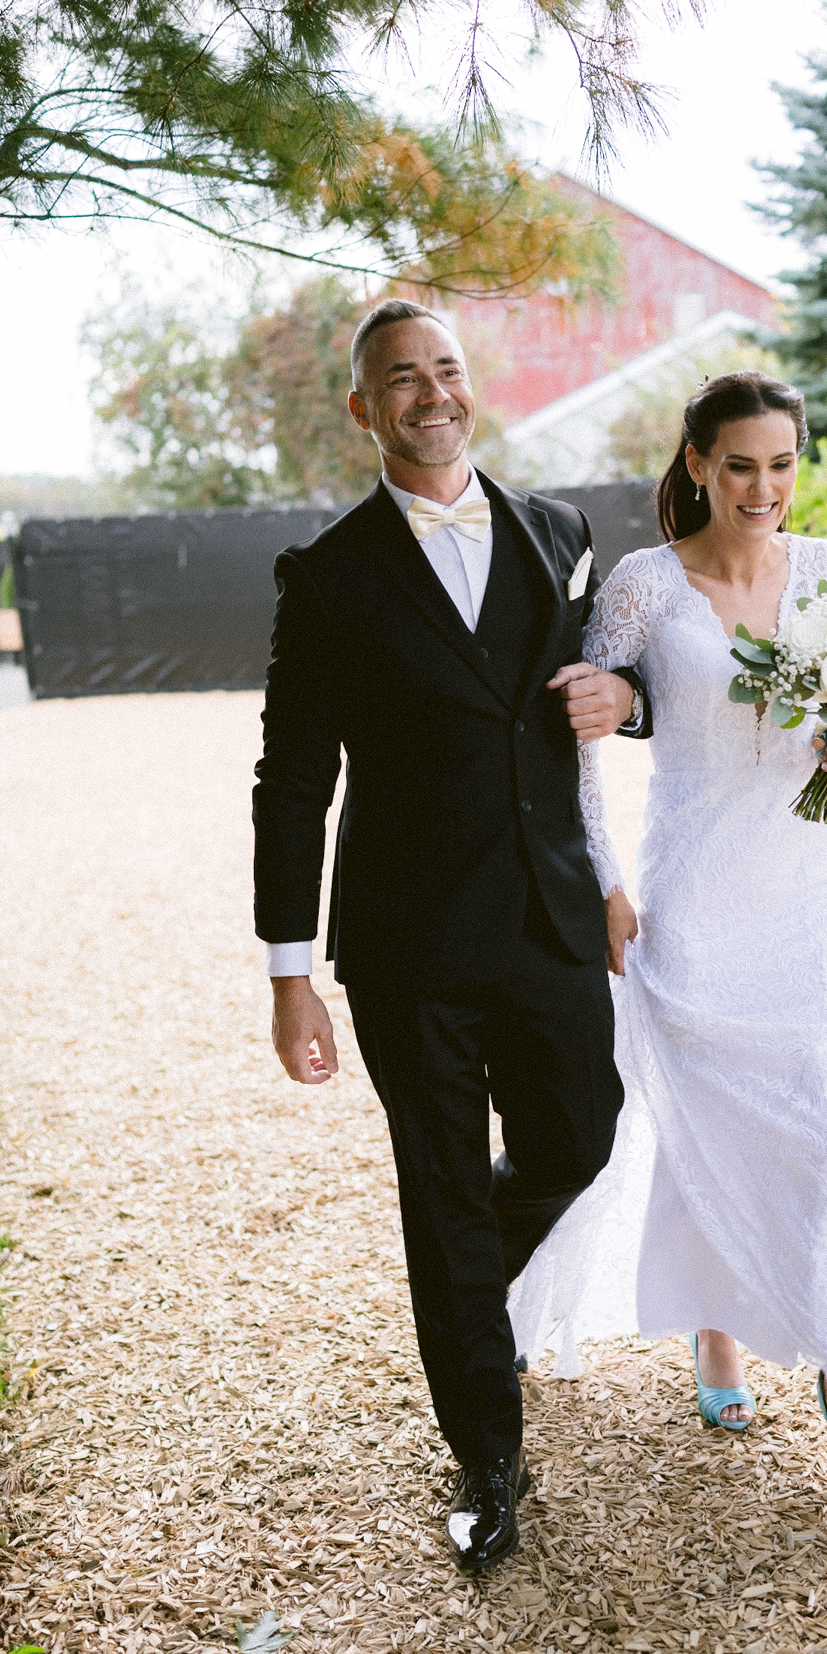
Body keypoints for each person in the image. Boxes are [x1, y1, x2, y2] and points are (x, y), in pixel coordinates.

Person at [253, 300, 654, 1572]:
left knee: (582, 1140)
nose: (430, 394)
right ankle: (488, 1451)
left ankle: (467, 1279)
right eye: (399, 380)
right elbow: (291, 781)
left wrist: (626, 700)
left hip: (547, 920)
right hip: (408, 945)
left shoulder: (557, 532)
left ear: (467, 388)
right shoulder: (326, 577)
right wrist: (288, 973)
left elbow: (609, 693)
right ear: (363, 408)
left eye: (446, 371)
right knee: (439, 1192)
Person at [508, 371, 827, 1502]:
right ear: (695, 464)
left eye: (780, 464)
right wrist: (602, 880)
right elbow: (585, 722)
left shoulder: (822, 570)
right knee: (695, 1118)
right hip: (689, 885)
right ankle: (715, 1330)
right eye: (739, 465)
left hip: (805, 884)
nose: (762, 488)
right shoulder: (643, 584)